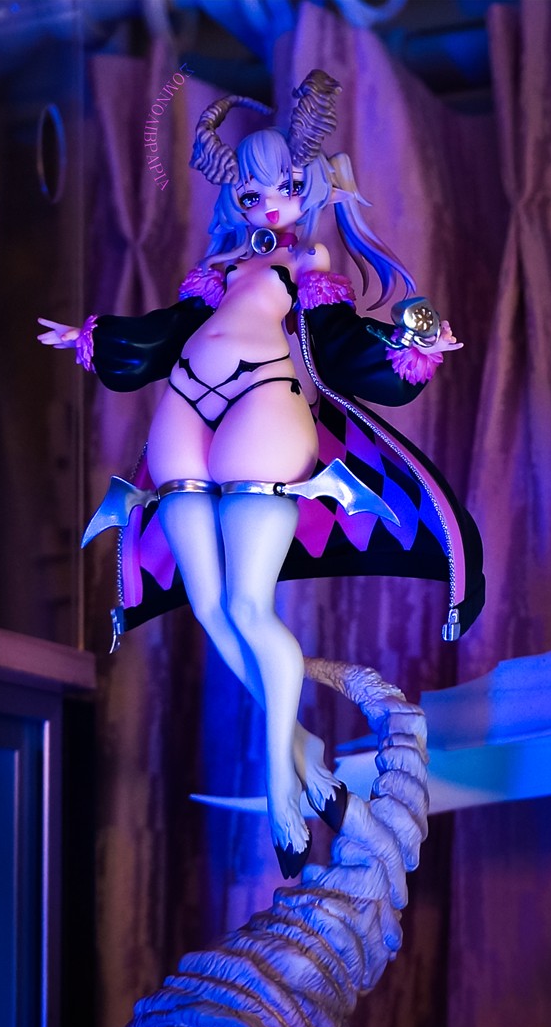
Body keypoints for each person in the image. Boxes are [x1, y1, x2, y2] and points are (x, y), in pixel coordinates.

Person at [40, 71, 484, 875]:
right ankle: (305, 746)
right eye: (251, 194)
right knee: (209, 605)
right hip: (184, 405)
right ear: (234, 198)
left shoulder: (309, 257)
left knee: (249, 603)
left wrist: (406, 348)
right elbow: (169, 330)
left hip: (260, 402)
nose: (268, 204)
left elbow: (338, 339)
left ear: (304, 186)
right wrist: (94, 338)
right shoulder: (215, 265)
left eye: (282, 188)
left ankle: (281, 780)